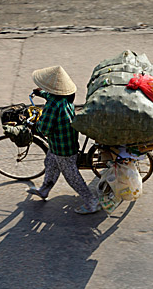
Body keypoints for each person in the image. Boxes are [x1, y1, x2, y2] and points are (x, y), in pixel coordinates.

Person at [26, 65, 100, 215]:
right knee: (50, 162)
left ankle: (92, 201)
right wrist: (42, 94)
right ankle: (44, 190)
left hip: (62, 148)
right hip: (65, 141)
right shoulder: (64, 97)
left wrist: (34, 125)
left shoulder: (52, 107)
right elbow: (52, 97)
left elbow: (45, 129)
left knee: (71, 176)